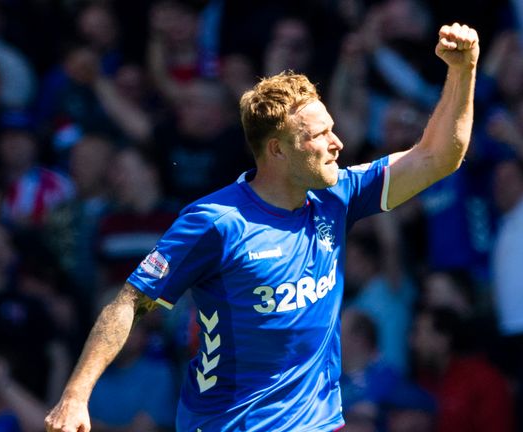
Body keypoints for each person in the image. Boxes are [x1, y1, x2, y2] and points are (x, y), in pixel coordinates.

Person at [46, 23, 479, 432]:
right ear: (277, 150)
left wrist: (463, 70)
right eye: (320, 135)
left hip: (318, 422)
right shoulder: (216, 222)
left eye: (333, 129)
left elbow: (440, 156)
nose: (338, 143)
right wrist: (75, 395)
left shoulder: (337, 195)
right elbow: (129, 303)